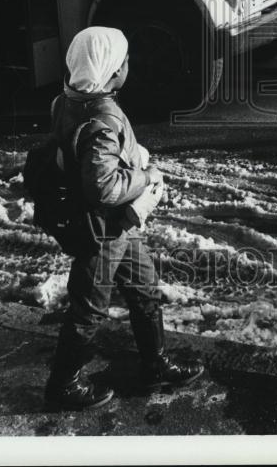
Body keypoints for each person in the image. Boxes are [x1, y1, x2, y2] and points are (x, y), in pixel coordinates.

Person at [44, 26, 204, 411]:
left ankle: (155, 365)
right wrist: (145, 176)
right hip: (102, 229)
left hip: (117, 226)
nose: (128, 66)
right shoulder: (103, 117)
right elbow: (104, 188)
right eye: (125, 61)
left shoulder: (66, 101)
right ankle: (62, 386)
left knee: (145, 289)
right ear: (114, 70)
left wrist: (130, 154)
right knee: (89, 309)